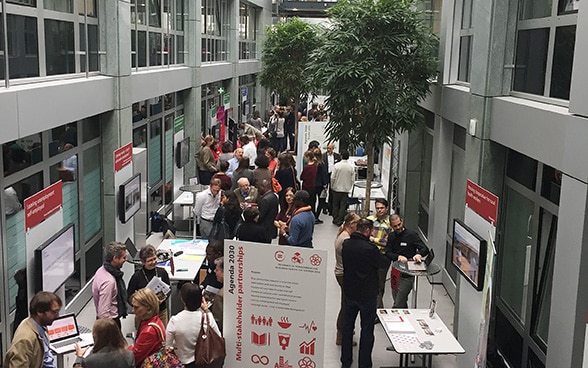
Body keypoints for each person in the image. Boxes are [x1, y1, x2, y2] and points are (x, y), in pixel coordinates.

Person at [341, 218, 390, 368]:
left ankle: (346, 361)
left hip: (350, 292)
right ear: (368, 231)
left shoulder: (346, 244)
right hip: (367, 294)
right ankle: (364, 364)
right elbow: (381, 263)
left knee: (347, 328)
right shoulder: (370, 248)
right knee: (367, 330)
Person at [166, 283, 220, 368]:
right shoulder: (207, 317)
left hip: (181, 362)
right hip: (203, 362)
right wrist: (206, 309)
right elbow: (218, 337)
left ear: (182, 299)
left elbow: (168, 347)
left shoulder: (174, 320)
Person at [4, 291, 62, 368]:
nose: (58, 316)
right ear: (39, 312)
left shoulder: (40, 326)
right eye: (55, 312)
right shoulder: (25, 340)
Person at [385, 214, 430, 308]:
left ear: (402, 221)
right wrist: (398, 257)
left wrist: (419, 254)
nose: (398, 227)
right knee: (398, 299)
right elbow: (388, 253)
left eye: (399, 224)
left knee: (398, 303)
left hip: (408, 274)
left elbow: (425, 249)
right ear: (391, 226)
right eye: (395, 226)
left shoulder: (412, 235)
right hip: (395, 273)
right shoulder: (391, 236)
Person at [127, 245, 171, 327]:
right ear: (143, 262)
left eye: (154, 259)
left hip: (161, 311)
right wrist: (139, 305)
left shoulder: (162, 272)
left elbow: (169, 289)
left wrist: (163, 298)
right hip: (143, 314)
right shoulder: (137, 276)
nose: (154, 262)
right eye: (150, 260)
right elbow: (129, 296)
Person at [334, 212, 360, 346]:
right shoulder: (346, 240)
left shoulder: (343, 235)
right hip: (344, 274)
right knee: (346, 306)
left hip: (341, 272)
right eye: (358, 224)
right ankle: (341, 334)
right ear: (351, 224)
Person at [92, 241, 128, 329]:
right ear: (115, 258)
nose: (126, 259)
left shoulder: (101, 270)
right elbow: (103, 313)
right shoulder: (109, 282)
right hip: (109, 323)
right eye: (124, 257)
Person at [128, 289, 166, 367]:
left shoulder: (149, 331)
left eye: (136, 307)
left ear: (148, 308)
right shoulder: (155, 321)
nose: (133, 310)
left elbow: (134, 358)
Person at [367, 198, 392, 309]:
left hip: (383, 257)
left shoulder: (390, 223)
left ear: (386, 208)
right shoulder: (369, 220)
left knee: (380, 283)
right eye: (377, 208)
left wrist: (374, 240)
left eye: (382, 208)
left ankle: (378, 309)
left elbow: (389, 243)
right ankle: (376, 308)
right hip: (370, 256)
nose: (379, 210)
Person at [330, 151, 355, 226]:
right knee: (343, 205)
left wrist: (332, 185)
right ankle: (340, 220)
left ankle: (335, 218)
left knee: (335, 204)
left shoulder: (337, 165)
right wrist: (349, 186)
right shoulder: (351, 167)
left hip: (336, 188)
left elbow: (332, 177)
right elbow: (352, 179)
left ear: (341, 156)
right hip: (345, 189)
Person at [323, 143, 341, 214]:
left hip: (333, 175)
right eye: (327, 148)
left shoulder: (337, 156)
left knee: (332, 192)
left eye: (330, 148)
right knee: (324, 192)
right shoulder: (323, 156)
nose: (328, 150)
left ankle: (331, 209)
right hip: (325, 175)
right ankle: (324, 207)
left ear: (333, 148)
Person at [210, 257, 225, 332]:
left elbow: (217, 322)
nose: (214, 271)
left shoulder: (220, 295)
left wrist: (206, 310)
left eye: (217, 270)